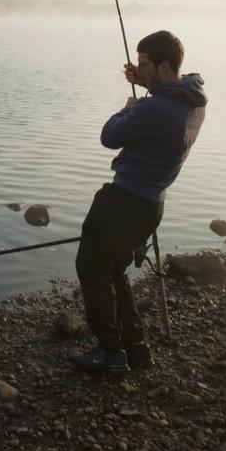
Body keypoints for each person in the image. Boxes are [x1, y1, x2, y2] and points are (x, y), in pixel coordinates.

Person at [74, 30, 207, 374]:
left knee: (91, 267)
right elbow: (166, 100)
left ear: (164, 67)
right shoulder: (193, 99)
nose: (137, 68)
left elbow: (110, 136)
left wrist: (128, 106)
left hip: (124, 201)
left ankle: (111, 352)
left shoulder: (154, 109)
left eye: (145, 64)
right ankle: (135, 348)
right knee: (112, 268)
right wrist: (146, 83)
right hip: (151, 205)